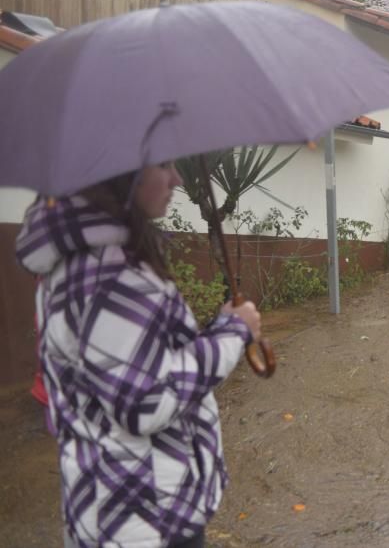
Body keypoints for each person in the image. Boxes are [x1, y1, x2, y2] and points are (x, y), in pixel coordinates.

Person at [15, 161, 261, 548]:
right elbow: (147, 400)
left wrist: (219, 329)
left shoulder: (86, 262)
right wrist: (233, 332)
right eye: (162, 165)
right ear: (120, 175)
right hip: (142, 517)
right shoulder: (108, 276)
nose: (177, 179)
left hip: (122, 506)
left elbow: (139, 368)